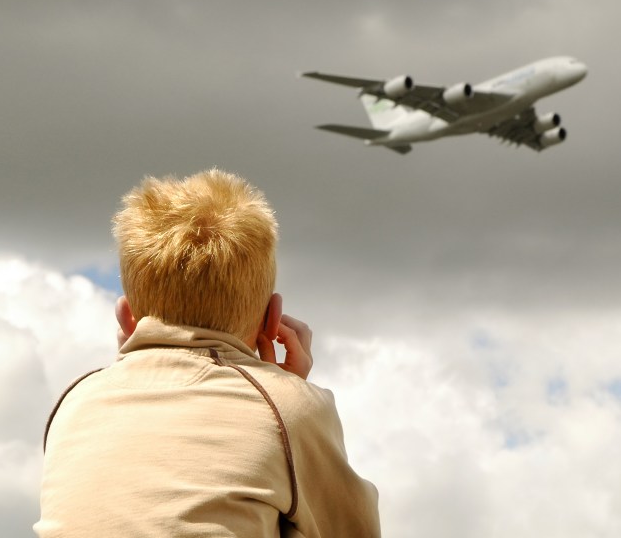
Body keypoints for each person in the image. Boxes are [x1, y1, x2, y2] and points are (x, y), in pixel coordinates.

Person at [35, 168, 380, 537]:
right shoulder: (285, 407)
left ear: (126, 316)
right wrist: (287, 393)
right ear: (272, 318)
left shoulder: (73, 401)